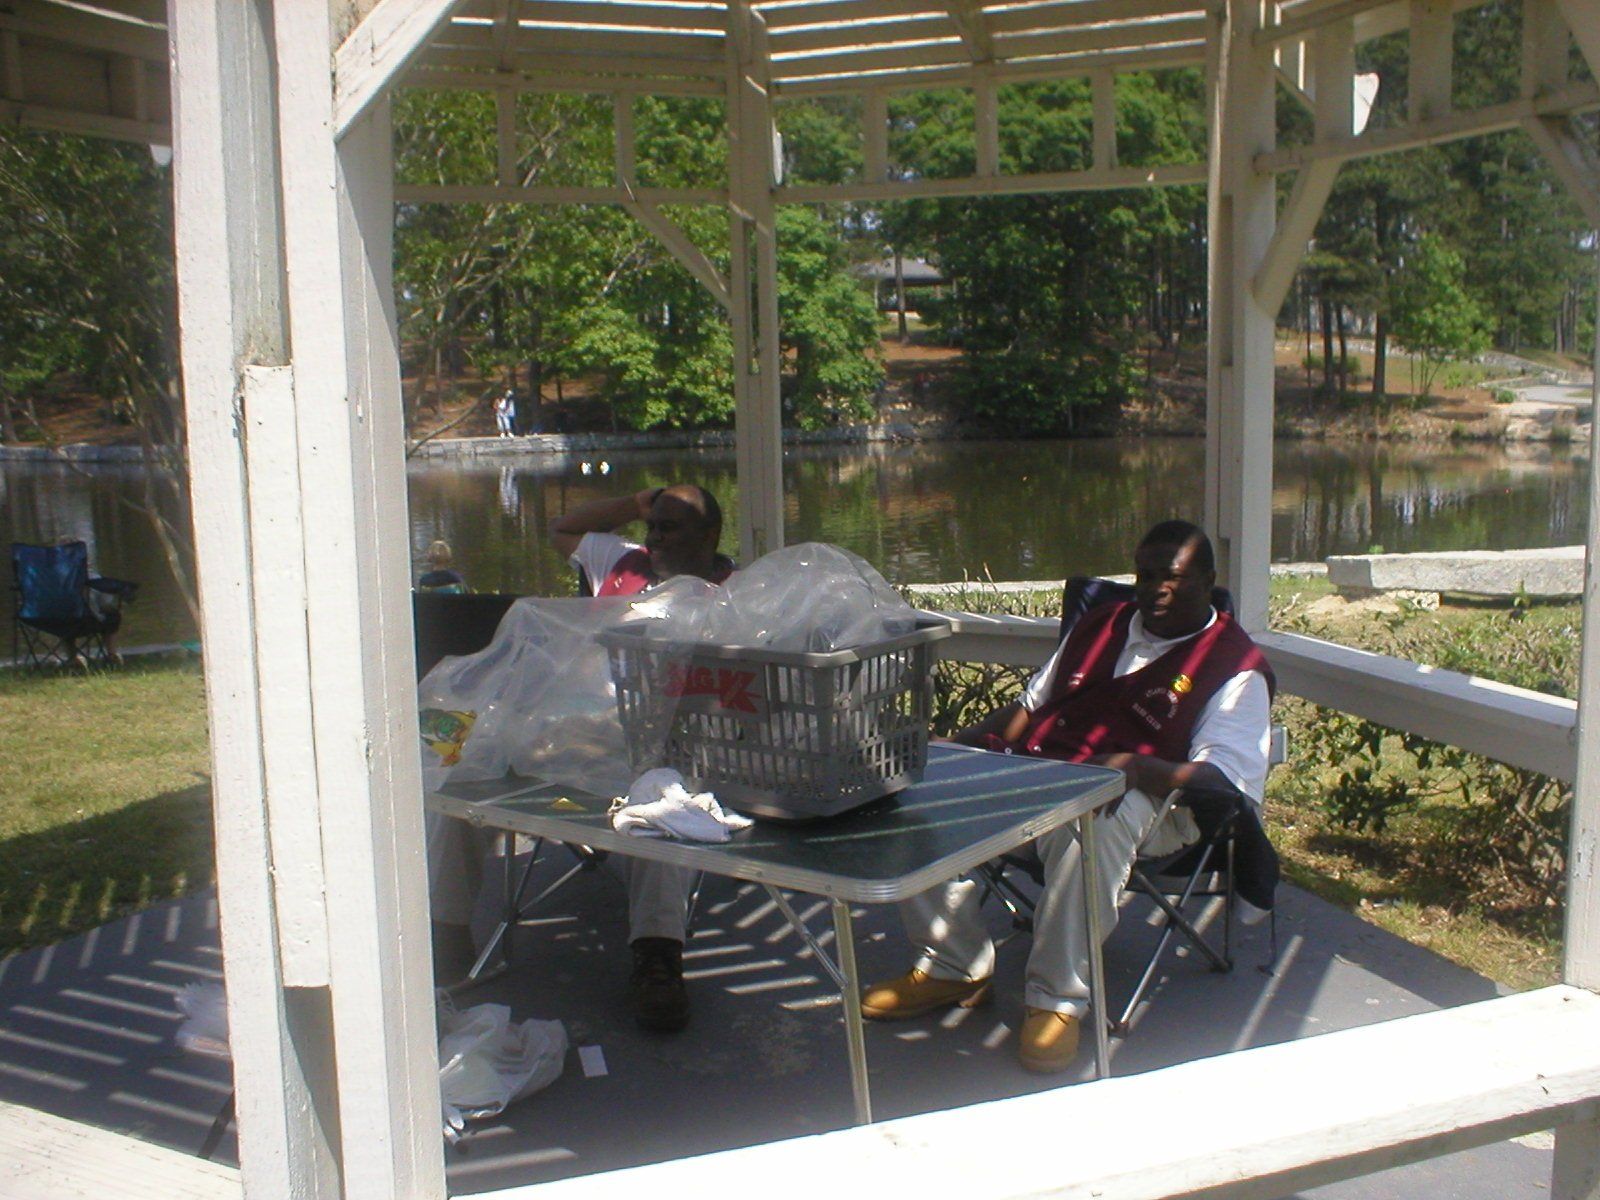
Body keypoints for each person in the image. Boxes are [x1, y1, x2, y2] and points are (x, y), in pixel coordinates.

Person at [860, 520, 1274, 1073]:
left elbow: (1223, 780)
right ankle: (951, 966)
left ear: (1208, 581)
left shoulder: (1233, 667)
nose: (1155, 590)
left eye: (1172, 578)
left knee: (1094, 818)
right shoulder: (1103, 624)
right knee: (920, 785)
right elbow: (1030, 709)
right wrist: (952, 751)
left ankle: (1056, 1000)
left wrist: (1132, 767)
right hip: (1044, 773)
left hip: (1159, 804)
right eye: (1145, 576)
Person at [541, 485, 734, 1030]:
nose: (655, 539)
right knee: (466, 766)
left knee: (661, 799)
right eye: (654, 526)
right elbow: (562, 528)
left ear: (710, 535)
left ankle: (658, 957)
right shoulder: (620, 560)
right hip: (578, 735)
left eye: (669, 528)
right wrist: (635, 503)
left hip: (676, 743)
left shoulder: (736, 591)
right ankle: (447, 930)